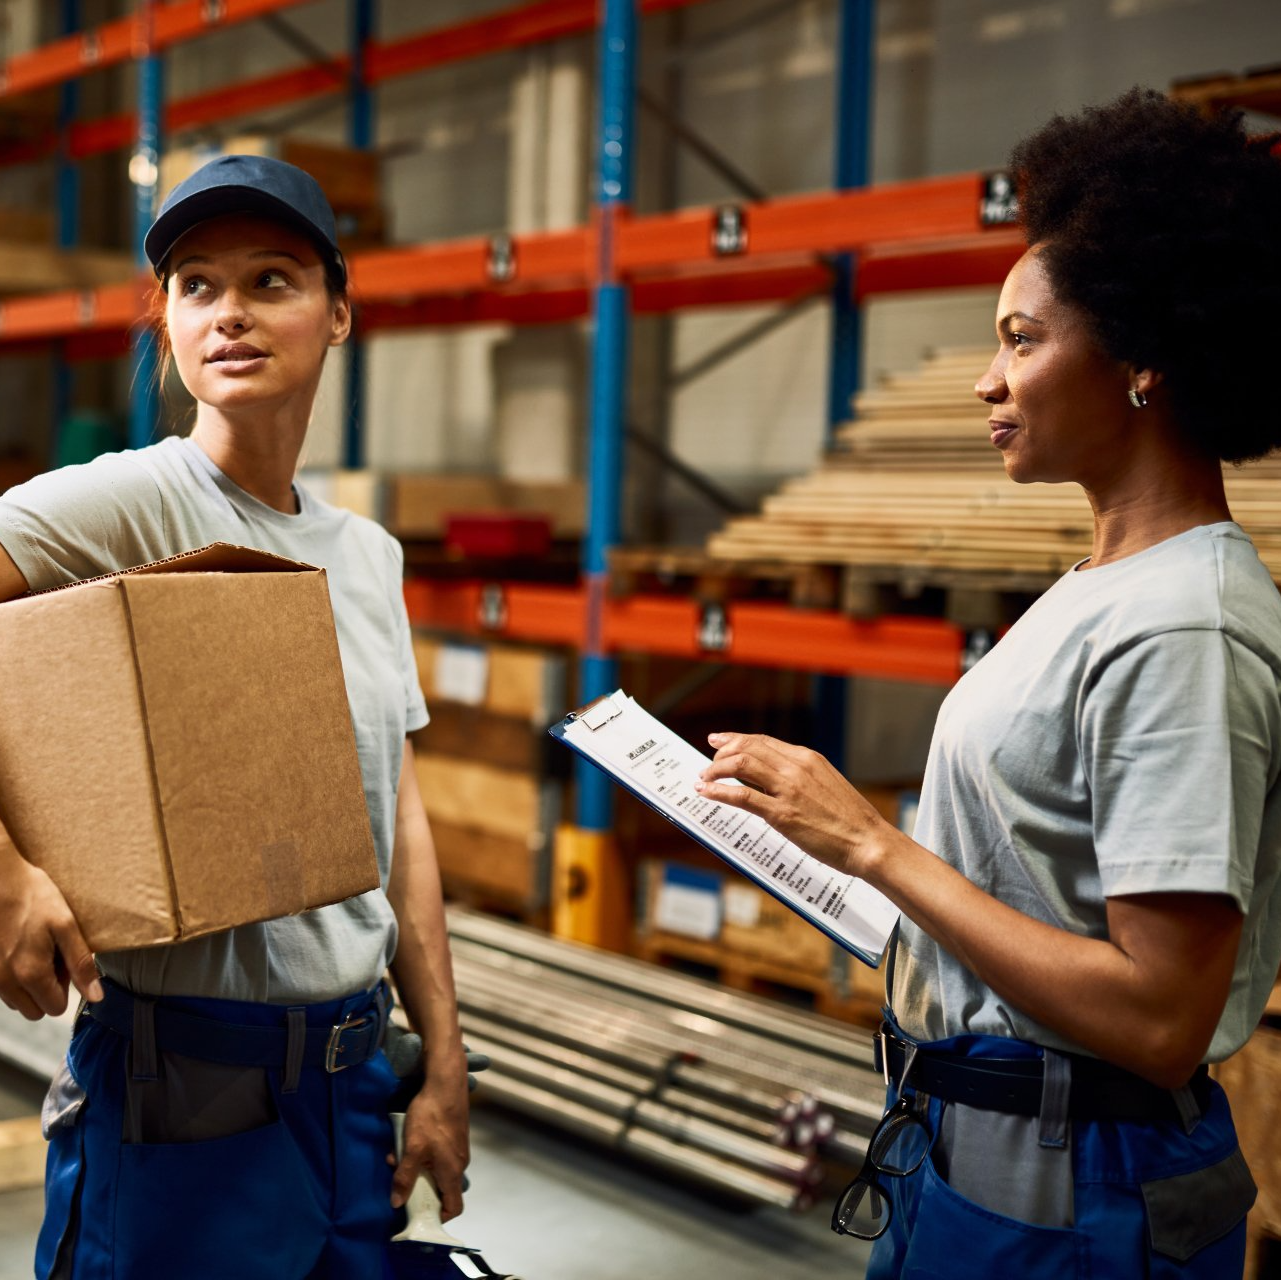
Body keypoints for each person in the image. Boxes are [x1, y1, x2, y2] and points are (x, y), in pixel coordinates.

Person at [696, 88, 1281, 1278]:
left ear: (1140, 361)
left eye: (1022, 338)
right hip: (977, 1144)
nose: (986, 380)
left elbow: (1159, 1018)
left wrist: (874, 845)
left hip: (1079, 1189)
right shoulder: (1102, 585)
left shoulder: (1185, 627)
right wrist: (821, 847)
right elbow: (1035, 880)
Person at [0, 154, 470, 1279]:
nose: (231, 313)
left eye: (272, 279)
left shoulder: (367, 556)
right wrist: (7, 868)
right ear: (163, 321)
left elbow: (392, 817)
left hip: (353, 1084)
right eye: (197, 285)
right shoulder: (126, 503)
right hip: (180, 1087)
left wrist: (446, 1067)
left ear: (339, 312)